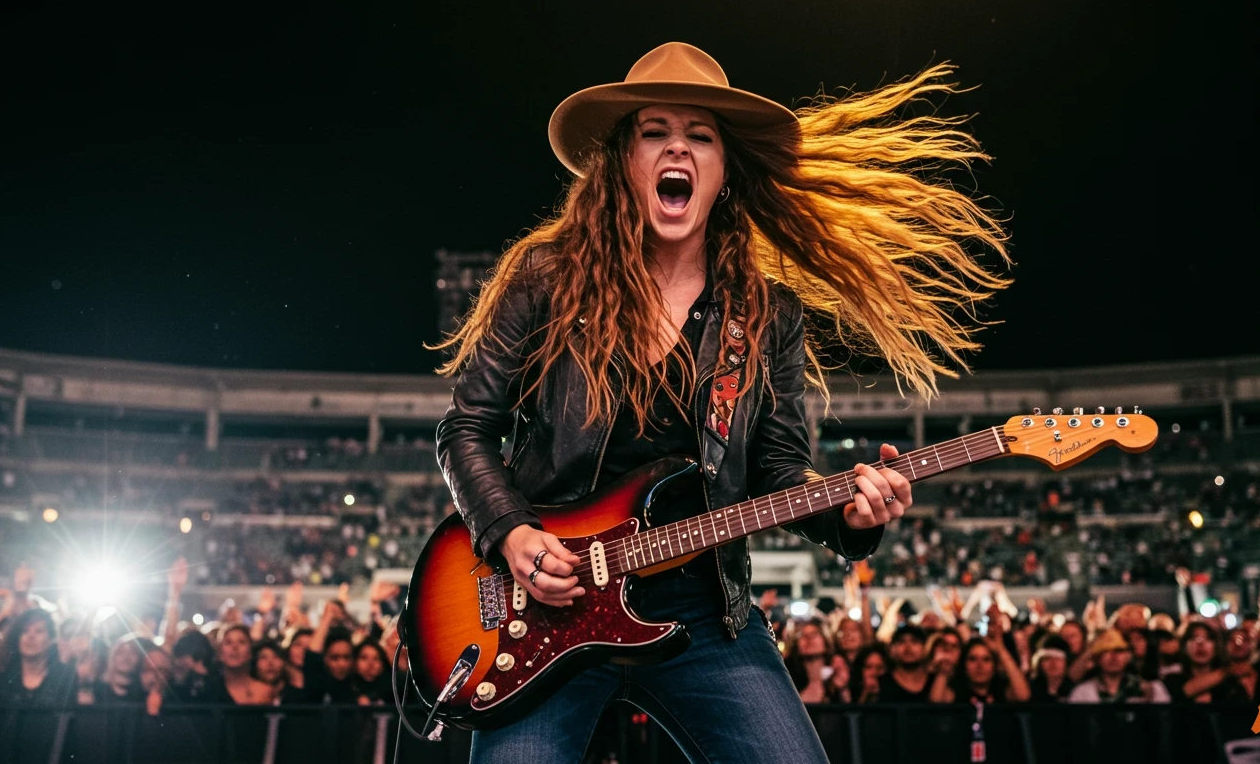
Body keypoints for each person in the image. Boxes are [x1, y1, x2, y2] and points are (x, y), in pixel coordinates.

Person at [430, 40, 1006, 763]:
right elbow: (467, 427)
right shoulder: (547, 278)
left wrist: (852, 514)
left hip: (703, 610)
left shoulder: (766, 315)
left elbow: (778, 473)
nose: (680, 148)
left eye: (701, 136)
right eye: (655, 132)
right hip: (547, 599)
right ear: (622, 161)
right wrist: (512, 534)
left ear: (724, 171)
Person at [0, 609, 77, 706]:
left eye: (39, 631)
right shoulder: (0, 682)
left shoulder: (66, 677)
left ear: (51, 639)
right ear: (17, 638)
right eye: (25, 631)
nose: (31, 636)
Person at [1068, 630, 1170, 704]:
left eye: (1119, 650)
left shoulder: (1153, 689)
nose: (1113, 656)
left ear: (1129, 656)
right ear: (1097, 658)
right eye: (1106, 651)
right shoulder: (1082, 693)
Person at [885, 624, 933, 702]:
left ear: (925, 648)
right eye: (901, 642)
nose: (908, 647)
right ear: (893, 649)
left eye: (915, 641)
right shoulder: (882, 683)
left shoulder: (935, 682)